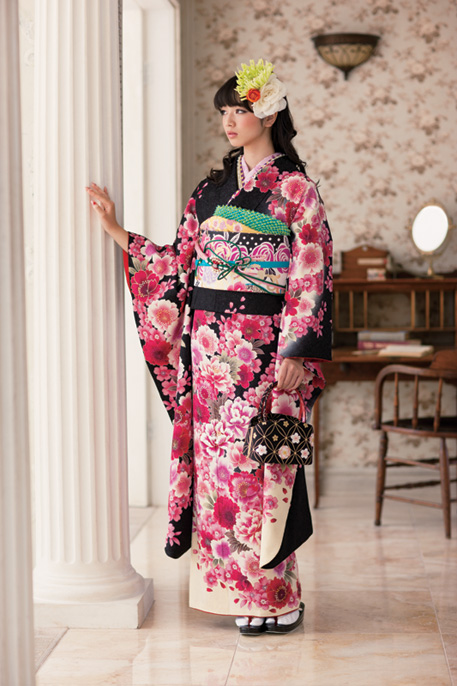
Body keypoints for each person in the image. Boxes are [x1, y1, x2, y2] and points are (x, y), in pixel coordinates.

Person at [86, 59, 332, 636]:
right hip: (211, 351)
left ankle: (276, 595)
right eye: (224, 111)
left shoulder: (295, 189)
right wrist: (120, 233)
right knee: (218, 470)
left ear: (267, 113)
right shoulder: (210, 190)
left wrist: (296, 350)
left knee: (264, 467)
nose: (229, 121)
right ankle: (230, 592)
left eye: (239, 110)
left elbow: (311, 270)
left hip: (266, 350)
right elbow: (179, 263)